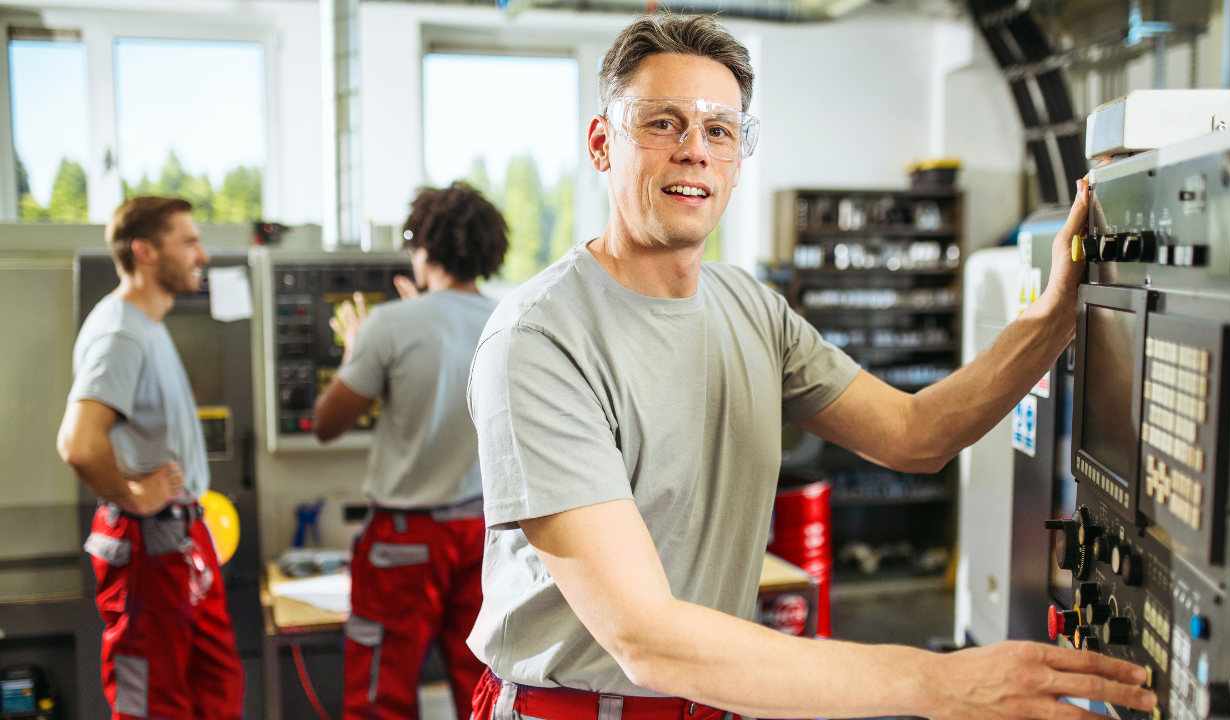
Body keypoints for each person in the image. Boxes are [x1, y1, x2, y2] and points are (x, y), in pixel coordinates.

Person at [466, 13, 1156, 720]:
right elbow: (645, 639)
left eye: (720, 129)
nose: (694, 150)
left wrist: (1053, 318)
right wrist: (940, 684)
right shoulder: (540, 338)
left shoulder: (751, 311)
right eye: (662, 123)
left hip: (717, 701)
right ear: (602, 144)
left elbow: (916, 434)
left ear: (737, 158)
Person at [312, 182, 508, 720]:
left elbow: (326, 423)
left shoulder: (390, 326)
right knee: (483, 687)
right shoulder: (511, 319)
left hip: (405, 543)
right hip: (484, 536)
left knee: (382, 695)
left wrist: (357, 352)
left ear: (423, 247)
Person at [57, 196, 243, 720]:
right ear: (144, 251)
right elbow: (78, 442)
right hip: (146, 545)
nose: (202, 256)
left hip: (182, 537)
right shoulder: (120, 332)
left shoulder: (148, 325)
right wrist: (133, 495)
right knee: (153, 703)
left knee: (217, 689)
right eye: (188, 242)